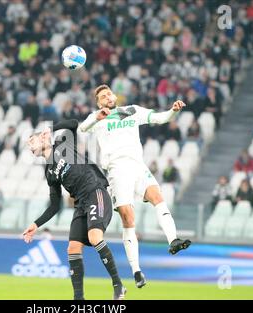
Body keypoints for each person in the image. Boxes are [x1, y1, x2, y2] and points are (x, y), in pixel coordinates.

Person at [80, 84, 191, 288]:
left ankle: (173, 240)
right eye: (102, 97)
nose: (107, 97)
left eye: (108, 94)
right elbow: (81, 128)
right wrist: (97, 117)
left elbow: (159, 118)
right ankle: (136, 271)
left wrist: (173, 111)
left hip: (138, 165)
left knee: (158, 197)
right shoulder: (97, 117)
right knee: (128, 219)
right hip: (117, 169)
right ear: (99, 102)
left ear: (115, 96)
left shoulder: (132, 110)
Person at [23, 119, 126, 300]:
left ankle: (118, 285)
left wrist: (51, 128)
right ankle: (79, 299)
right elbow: (55, 205)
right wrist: (36, 224)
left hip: (96, 192)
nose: (29, 144)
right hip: (80, 204)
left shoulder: (62, 145)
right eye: (28, 144)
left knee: (95, 238)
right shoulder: (49, 173)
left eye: (32, 139)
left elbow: (73, 123)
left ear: (43, 137)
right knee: (72, 248)